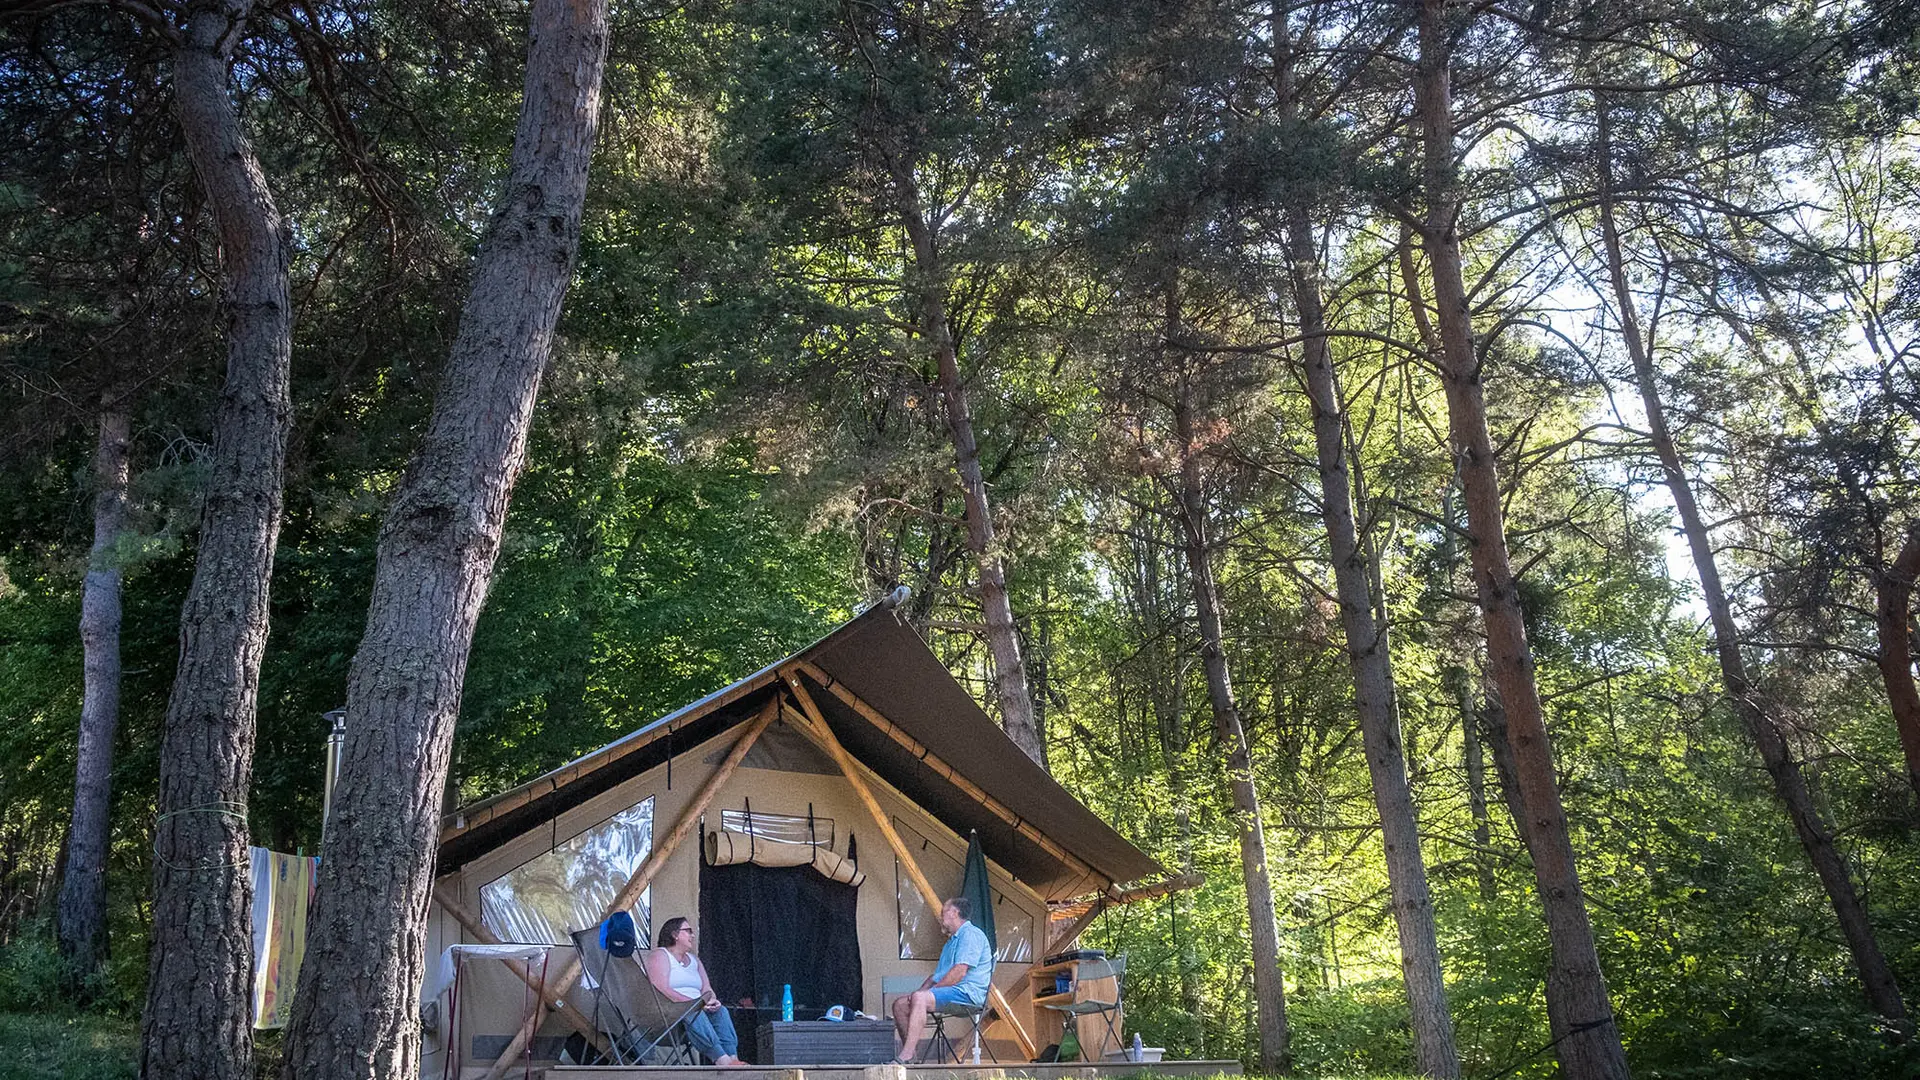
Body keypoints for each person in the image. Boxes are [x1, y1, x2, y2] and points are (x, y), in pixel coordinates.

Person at [891, 896, 993, 1064]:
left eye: (943, 911)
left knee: (920, 998)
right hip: (951, 993)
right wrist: (918, 993)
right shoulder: (951, 943)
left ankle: (905, 1056)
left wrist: (926, 994)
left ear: (955, 912)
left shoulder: (971, 935)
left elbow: (959, 972)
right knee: (900, 1005)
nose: (940, 916)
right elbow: (935, 977)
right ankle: (912, 1058)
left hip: (968, 995)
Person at [645, 916, 746, 1067]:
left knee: (721, 1011)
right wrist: (693, 1003)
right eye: (688, 931)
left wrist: (711, 1000)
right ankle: (721, 1059)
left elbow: (707, 988)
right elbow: (660, 988)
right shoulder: (660, 955)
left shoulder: (695, 960)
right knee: (692, 1010)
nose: (692, 935)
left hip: (697, 1011)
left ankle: (732, 1057)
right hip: (667, 1018)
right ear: (675, 934)